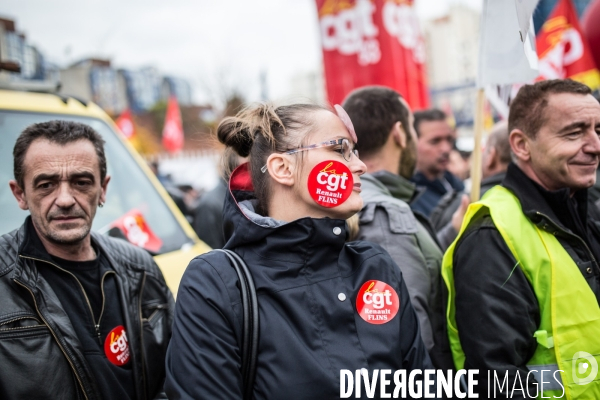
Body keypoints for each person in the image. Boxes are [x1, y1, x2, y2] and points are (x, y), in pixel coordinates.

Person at [165, 103, 433, 398]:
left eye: (354, 152)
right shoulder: (216, 283)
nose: (359, 165)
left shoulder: (376, 268)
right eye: (339, 149)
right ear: (283, 168)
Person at [443, 79, 600, 398]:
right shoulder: (493, 234)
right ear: (521, 144)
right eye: (574, 132)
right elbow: (496, 381)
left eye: (598, 130)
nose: (595, 144)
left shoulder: (583, 209)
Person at [2, 121, 174, 400]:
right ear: (20, 194)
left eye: (81, 182)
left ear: (103, 189)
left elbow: (174, 379)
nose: (66, 199)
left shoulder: (142, 269)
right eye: (46, 185)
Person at [342, 86, 464, 370]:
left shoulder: (371, 203)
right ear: (399, 132)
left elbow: (412, 267)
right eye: (412, 128)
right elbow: (407, 339)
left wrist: (448, 235)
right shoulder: (384, 213)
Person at [429, 121, 511, 231]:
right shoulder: (535, 199)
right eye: (435, 141)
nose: (445, 149)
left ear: (491, 156)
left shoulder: (464, 205)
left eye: (484, 151)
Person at [411, 109, 464, 217]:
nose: (446, 149)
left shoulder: (454, 184)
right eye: (435, 141)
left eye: (449, 140)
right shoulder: (408, 196)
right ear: (412, 143)